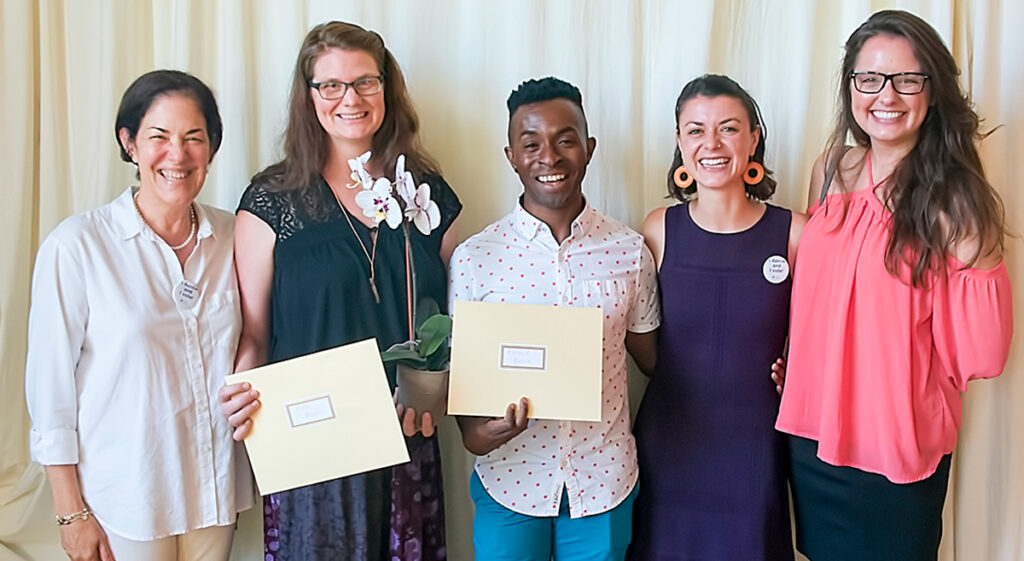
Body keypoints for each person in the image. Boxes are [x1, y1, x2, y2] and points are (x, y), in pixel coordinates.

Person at [217, 21, 460, 561]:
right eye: (331, 85)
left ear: (386, 91)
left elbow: (462, 315)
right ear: (310, 98)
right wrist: (241, 395)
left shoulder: (423, 192)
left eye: (364, 82)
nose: (349, 99)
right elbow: (254, 331)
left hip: (405, 438)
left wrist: (445, 385)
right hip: (312, 444)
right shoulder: (270, 200)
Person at [776, 10, 1014, 561]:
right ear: (851, 86)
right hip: (813, 432)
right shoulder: (830, 169)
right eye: (870, 78)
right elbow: (824, 292)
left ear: (933, 90)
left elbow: (983, 352)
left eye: (908, 79)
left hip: (895, 441)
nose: (887, 95)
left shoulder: (956, 201)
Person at [24, 70, 252, 561]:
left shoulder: (236, 237)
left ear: (212, 149)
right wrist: (71, 514)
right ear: (129, 144)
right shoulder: (78, 246)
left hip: (215, 491)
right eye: (159, 137)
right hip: (125, 499)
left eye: (195, 138)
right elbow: (50, 393)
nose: (178, 154)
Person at [449, 77, 660, 561]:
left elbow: (655, 362)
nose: (549, 156)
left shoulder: (629, 251)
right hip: (510, 479)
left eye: (565, 140)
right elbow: (466, 381)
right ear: (511, 156)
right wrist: (475, 434)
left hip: (603, 482)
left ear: (588, 148)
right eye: (531, 144)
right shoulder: (476, 258)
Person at [627, 74, 804, 561]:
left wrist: (802, 374)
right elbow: (644, 349)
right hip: (669, 441)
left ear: (753, 139)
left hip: (755, 445)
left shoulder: (795, 233)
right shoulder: (658, 228)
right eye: (696, 130)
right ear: (680, 143)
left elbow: (825, 334)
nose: (712, 144)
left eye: (728, 128)